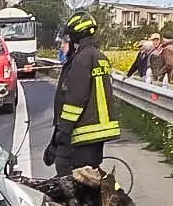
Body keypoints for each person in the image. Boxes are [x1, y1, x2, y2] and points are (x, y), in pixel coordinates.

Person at [43, 10, 121, 177]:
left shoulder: (80, 60)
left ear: (75, 39)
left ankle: (80, 203)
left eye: (64, 42)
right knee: (89, 177)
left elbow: (74, 101)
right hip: (97, 133)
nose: (62, 47)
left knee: (68, 176)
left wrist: (61, 136)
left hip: (82, 133)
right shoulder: (99, 57)